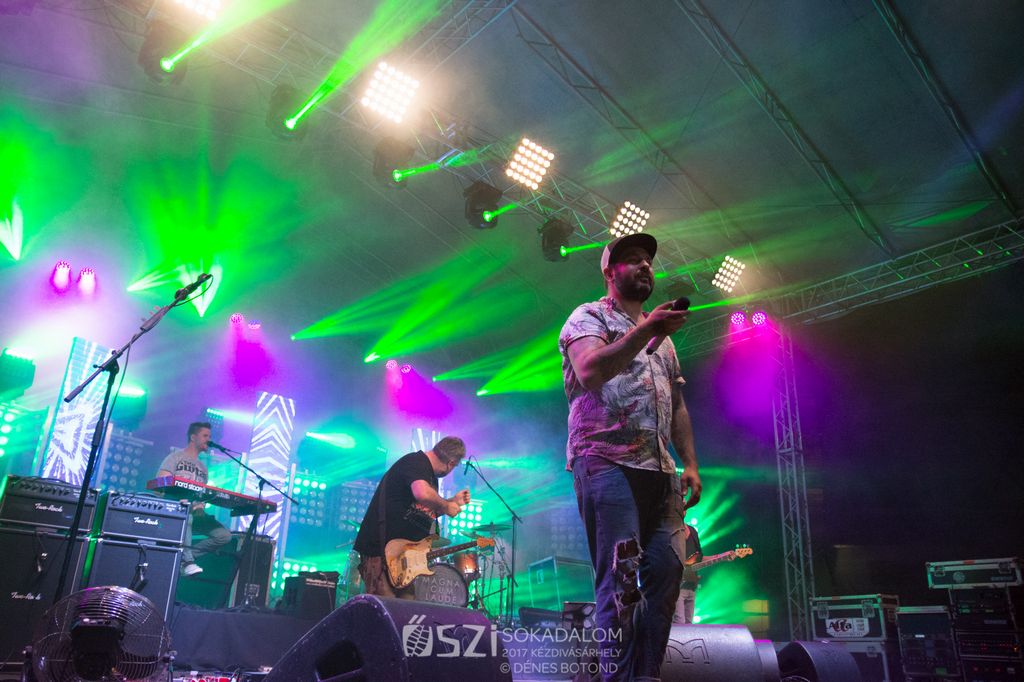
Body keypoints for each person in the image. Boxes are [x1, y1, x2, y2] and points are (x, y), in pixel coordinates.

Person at [559, 233, 702, 681]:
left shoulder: (666, 342)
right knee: (620, 580)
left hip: (660, 471)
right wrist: (647, 330)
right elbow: (589, 371)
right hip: (605, 461)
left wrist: (690, 463)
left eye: (648, 261)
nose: (644, 266)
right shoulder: (588, 316)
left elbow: (677, 405)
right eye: (633, 260)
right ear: (609, 271)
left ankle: (646, 675)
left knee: (668, 573)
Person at [353, 436, 471, 599]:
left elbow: (423, 512)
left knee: (406, 609)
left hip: (403, 557)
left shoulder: (430, 477)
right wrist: (446, 505)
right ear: (451, 463)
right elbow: (422, 494)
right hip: (380, 550)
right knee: (386, 608)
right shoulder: (416, 462)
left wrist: (453, 502)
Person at [156, 421, 232, 577]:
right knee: (187, 516)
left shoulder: (203, 468)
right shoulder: (175, 457)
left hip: (194, 512)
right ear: (193, 437)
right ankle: (187, 562)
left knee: (224, 535)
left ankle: (182, 558)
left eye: (210, 436)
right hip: (176, 510)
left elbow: (200, 495)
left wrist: (200, 506)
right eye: (205, 436)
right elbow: (160, 483)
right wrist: (176, 501)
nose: (209, 440)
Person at [673, 524, 702, 625]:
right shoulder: (670, 530)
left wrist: (722, 556)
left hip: (691, 586)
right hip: (677, 587)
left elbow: (700, 558)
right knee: (679, 622)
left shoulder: (692, 531)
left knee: (689, 625)